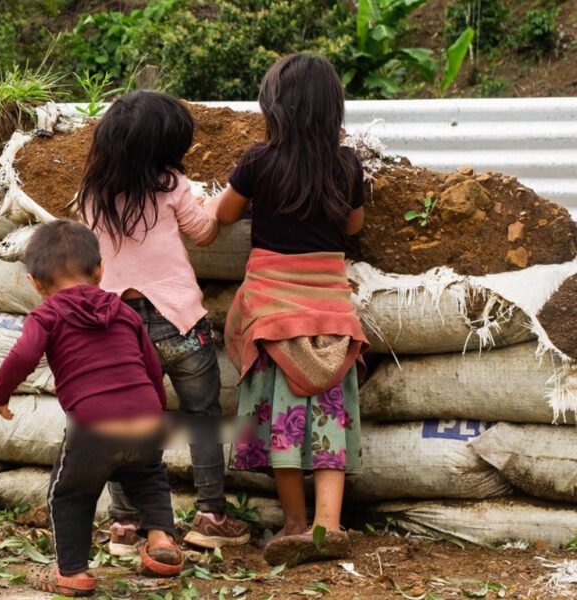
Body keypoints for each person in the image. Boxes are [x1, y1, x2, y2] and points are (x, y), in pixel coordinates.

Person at [207, 53, 370, 567]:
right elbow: (354, 227)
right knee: (328, 417)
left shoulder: (258, 161)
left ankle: (295, 524)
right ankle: (329, 525)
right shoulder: (347, 165)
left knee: (283, 419)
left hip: (273, 316)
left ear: (275, 107)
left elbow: (223, 214)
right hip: (332, 318)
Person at [78, 90, 250, 554]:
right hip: (179, 324)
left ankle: (124, 523)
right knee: (202, 416)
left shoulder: (91, 193)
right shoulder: (171, 184)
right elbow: (204, 233)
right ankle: (211, 515)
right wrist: (208, 204)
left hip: (116, 328)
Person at [0, 219, 184, 597]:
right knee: (148, 477)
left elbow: (24, 355)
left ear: (35, 284)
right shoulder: (123, 311)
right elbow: (152, 367)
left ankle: (73, 572)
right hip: (146, 417)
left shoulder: (47, 315)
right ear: (99, 270)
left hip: (94, 425)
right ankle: (161, 541)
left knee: (70, 494)